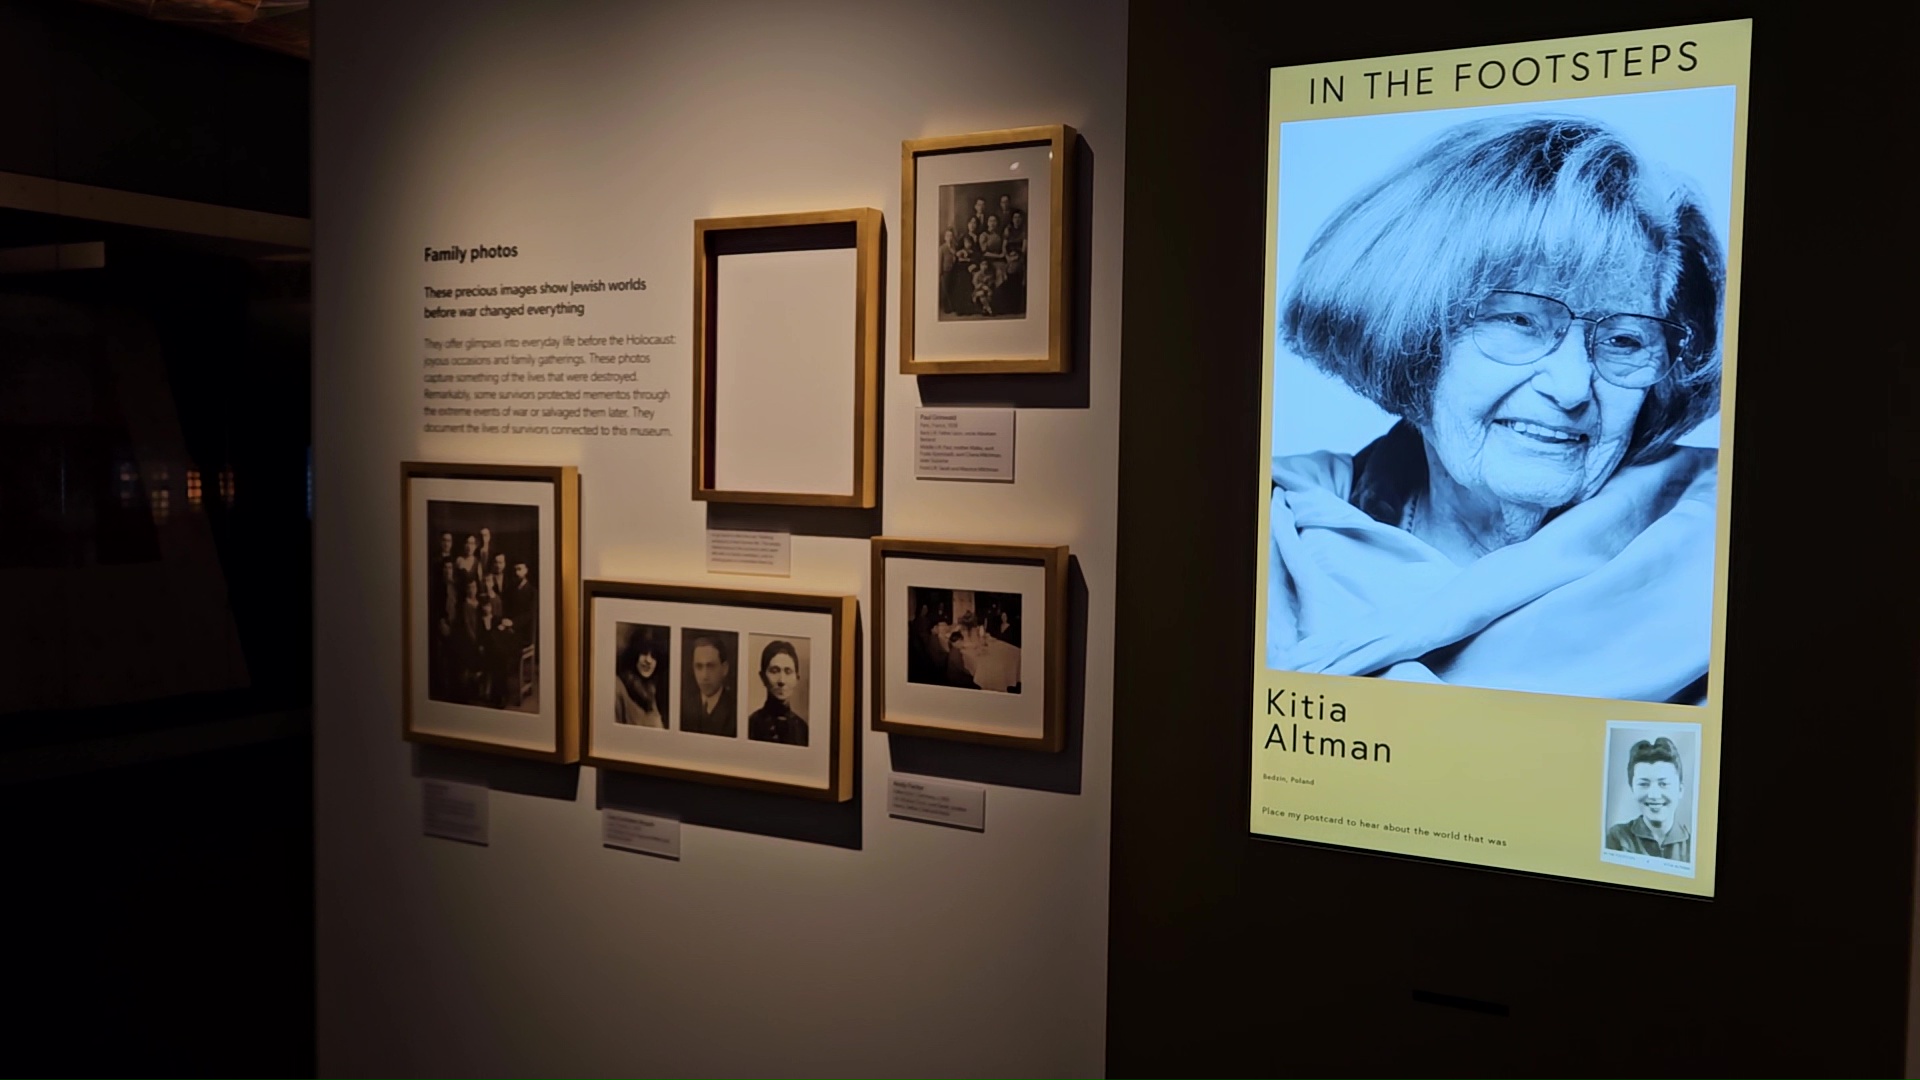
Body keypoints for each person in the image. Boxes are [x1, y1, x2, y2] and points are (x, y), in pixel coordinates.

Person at [1267, 115, 1725, 703]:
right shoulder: (1277, 531)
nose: (1572, 388)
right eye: (1519, 321)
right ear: (1412, 337)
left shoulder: (1713, 551)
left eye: (1624, 340)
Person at [1605, 737, 1691, 861]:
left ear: (1680, 790)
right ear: (1632, 789)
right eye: (1644, 784)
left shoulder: (1692, 845)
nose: (1654, 795)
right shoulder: (1617, 838)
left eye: (1663, 784)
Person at [746, 640, 808, 745]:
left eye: (788, 672)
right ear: (763, 677)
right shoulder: (751, 725)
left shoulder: (803, 729)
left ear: (797, 678)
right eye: (774, 671)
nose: (781, 681)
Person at [680, 634, 736, 737]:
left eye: (710, 666)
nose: (704, 676)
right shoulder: (683, 706)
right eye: (699, 666)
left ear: (724, 669)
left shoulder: (736, 709)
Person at [613, 630, 667, 728]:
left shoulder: (651, 692)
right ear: (634, 654)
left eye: (654, 656)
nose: (648, 660)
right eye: (644, 652)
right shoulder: (617, 687)